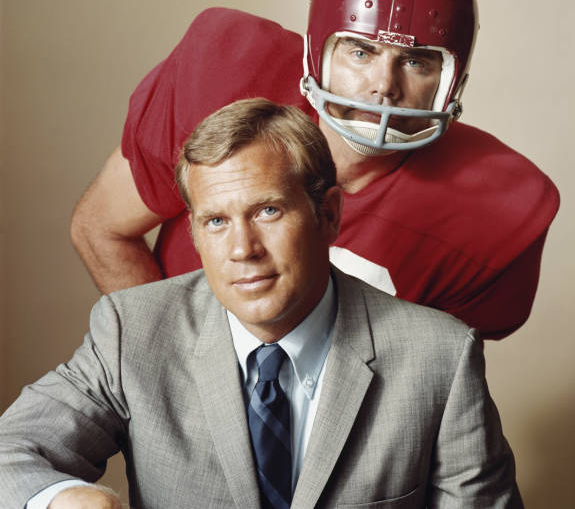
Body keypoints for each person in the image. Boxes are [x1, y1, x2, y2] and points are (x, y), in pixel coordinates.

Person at [1, 99, 522, 508]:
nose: (242, 250)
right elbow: (10, 453)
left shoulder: (440, 357)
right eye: (216, 221)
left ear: (329, 216)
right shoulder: (132, 332)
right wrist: (61, 499)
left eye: (268, 211)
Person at [70, 0, 560, 340]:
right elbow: (102, 229)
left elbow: (433, 372)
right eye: (361, 52)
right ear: (316, 53)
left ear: (452, 80)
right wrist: (174, 377)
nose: (384, 87)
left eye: (416, 61)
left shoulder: (497, 205)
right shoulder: (225, 71)